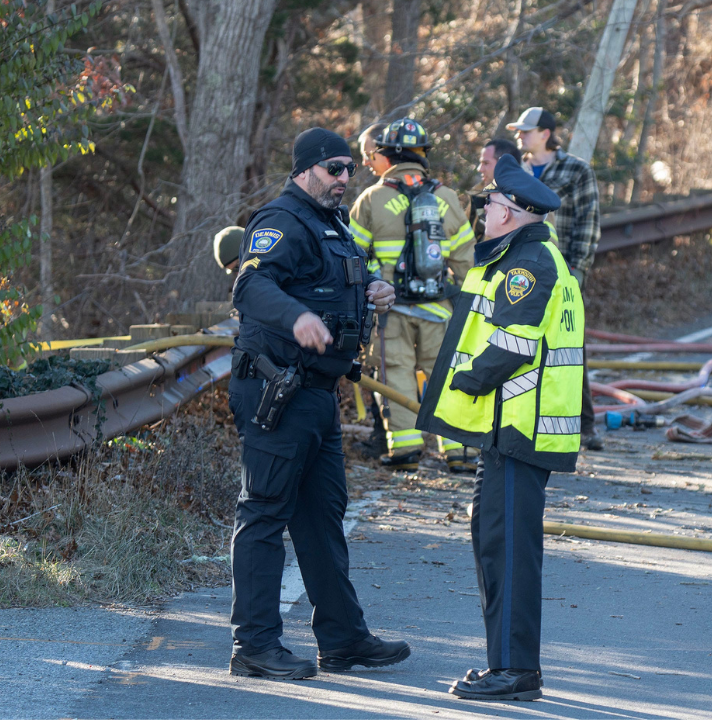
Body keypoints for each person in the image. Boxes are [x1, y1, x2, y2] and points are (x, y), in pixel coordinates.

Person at [228, 127, 409, 679]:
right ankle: (254, 647)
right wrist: (295, 317)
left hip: (318, 393)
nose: (344, 179)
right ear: (305, 170)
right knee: (264, 513)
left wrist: (377, 287)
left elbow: (338, 280)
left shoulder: (331, 224)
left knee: (322, 518)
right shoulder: (282, 220)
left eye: (350, 169)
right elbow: (249, 287)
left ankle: (343, 639)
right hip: (278, 389)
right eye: (334, 169)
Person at [417, 154, 584, 702]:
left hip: (519, 432)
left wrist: (467, 379)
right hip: (512, 433)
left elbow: (513, 343)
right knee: (495, 543)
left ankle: (515, 670)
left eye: (488, 203)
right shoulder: (525, 257)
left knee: (507, 550)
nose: (482, 211)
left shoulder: (528, 264)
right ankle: (507, 665)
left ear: (510, 213)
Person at [349, 118, 477, 472]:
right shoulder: (448, 198)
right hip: (439, 308)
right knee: (446, 377)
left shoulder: (371, 199)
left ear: (386, 156)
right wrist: (469, 308)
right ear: (423, 156)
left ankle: (405, 450)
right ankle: (460, 452)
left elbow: (351, 259)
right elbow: (466, 261)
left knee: (396, 373)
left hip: (390, 312)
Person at [508, 106, 602, 451]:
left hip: (562, 274)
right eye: (519, 132)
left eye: (526, 131)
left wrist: (577, 271)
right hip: (520, 276)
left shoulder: (576, 170)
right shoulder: (515, 171)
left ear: (545, 133)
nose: (520, 136)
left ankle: (585, 425)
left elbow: (588, 224)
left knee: (568, 347)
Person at [468, 138, 523, 242]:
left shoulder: (532, 202)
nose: (480, 169)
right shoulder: (478, 193)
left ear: (505, 165)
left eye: (486, 163)